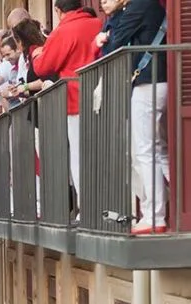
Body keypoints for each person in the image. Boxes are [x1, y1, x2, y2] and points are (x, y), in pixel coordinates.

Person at [96, 0, 167, 234]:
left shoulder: (138, 6)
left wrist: (102, 40)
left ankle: (154, 215)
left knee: (145, 151)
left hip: (148, 81)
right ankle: (164, 206)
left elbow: (114, 45)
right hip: (159, 79)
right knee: (159, 149)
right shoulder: (149, 6)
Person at [31, 0, 102, 212]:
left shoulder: (63, 31)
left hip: (75, 100)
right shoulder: (98, 23)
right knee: (105, 153)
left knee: (79, 157)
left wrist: (36, 53)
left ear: (58, 10)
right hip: (103, 94)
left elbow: (44, 66)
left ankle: (87, 209)